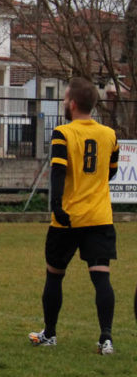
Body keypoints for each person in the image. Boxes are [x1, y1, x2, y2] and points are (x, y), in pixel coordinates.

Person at [29, 77, 119, 355]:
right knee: (101, 278)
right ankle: (106, 339)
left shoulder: (63, 132)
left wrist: (56, 205)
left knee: (54, 275)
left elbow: (57, 171)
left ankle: (50, 334)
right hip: (100, 217)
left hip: (68, 218)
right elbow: (111, 171)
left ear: (74, 104)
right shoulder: (109, 134)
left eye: (65, 99)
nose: (64, 103)